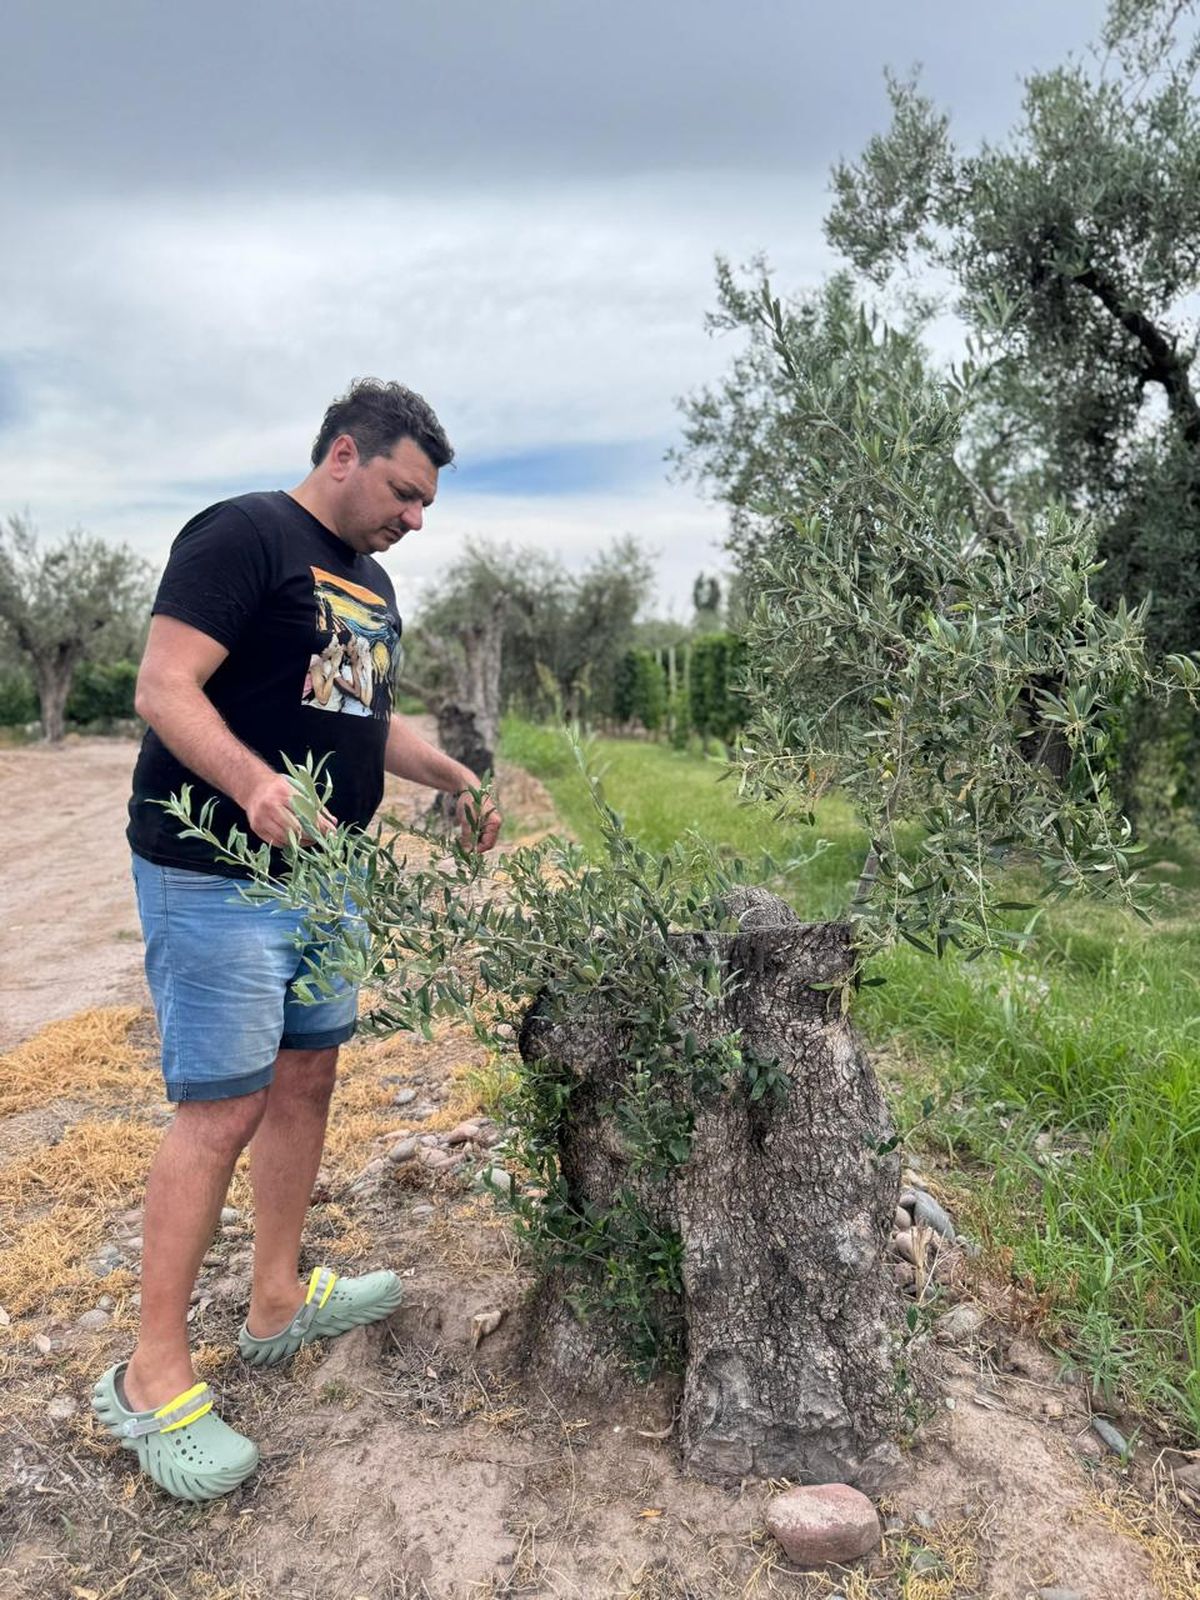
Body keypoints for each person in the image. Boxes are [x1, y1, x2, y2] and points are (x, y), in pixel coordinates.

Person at [92, 380, 501, 1503]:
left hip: (325, 878)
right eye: (406, 494)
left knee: (306, 1079)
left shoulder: (368, 586)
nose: (416, 520)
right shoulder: (242, 536)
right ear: (343, 454)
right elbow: (163, 687)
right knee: (217, 1107)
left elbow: (367, 718)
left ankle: (276, 1302)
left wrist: (453, 775)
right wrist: (254, 784)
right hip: (214, 872)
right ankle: (150, 1373)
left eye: (426, 505)